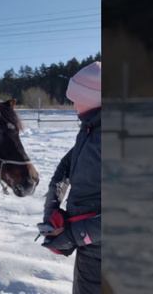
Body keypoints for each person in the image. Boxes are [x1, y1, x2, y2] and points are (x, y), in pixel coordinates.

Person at [40, 61, 103, 294]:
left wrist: (75, 234)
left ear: (92, 97)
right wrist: (52, 208)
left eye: (76, 97)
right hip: (90, 247)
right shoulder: (90, 127)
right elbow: (65, 167)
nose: (73, 103)